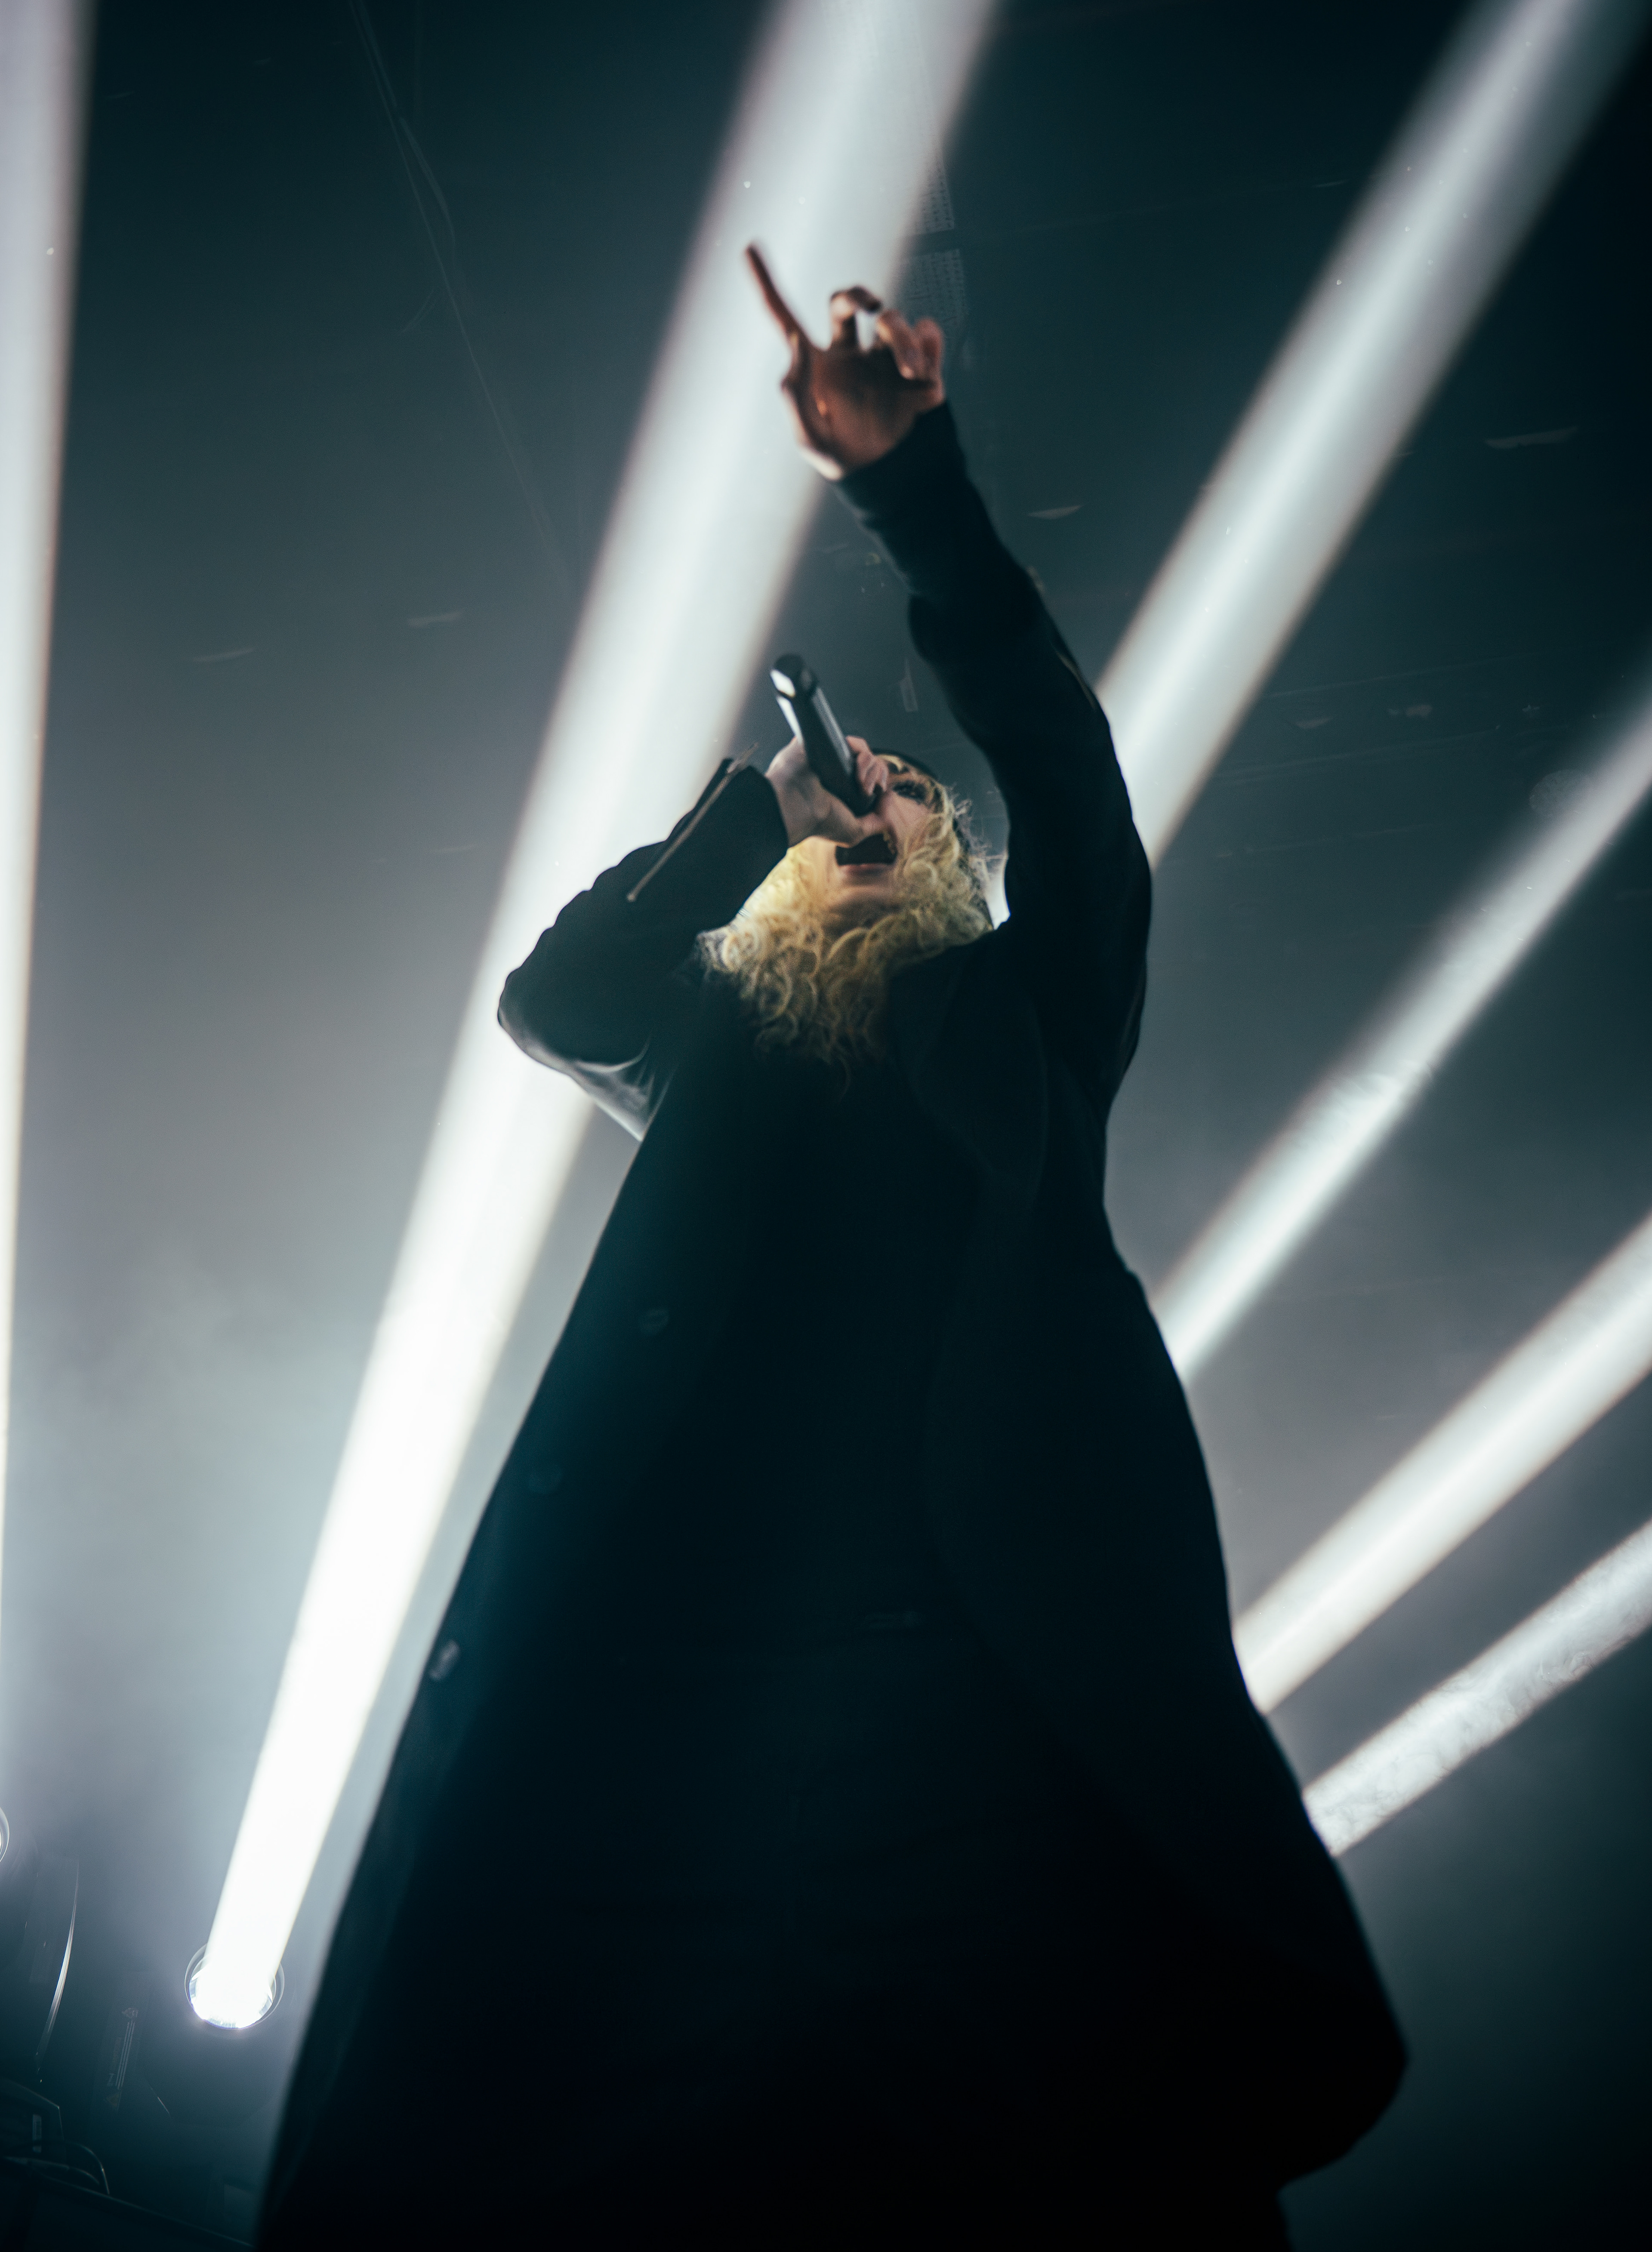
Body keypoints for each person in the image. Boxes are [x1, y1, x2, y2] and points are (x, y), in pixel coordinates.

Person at [260, 254, 1403, 2249]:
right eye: (851, 818)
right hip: (687, 1713)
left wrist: (915, 494)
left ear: (956, 871)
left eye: (910, 810)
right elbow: (554, 1000)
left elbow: (1072, 786)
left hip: (965, 1695)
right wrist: (759, 811)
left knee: (1041, 2162)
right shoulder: (716, 1057)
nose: (880, 816)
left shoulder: (1034, 1026)